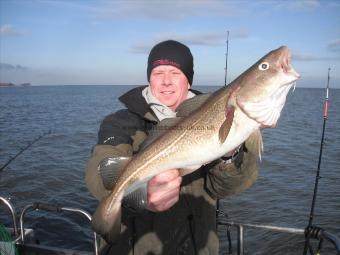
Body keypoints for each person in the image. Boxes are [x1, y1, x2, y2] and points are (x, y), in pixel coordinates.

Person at [85, 40, 258, 255]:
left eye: (175, 73)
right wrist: (141, 196)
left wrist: (230, 152)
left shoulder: (219, 116)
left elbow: (224, 189)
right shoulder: (120, 122)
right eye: (158, 73)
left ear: (188, 80)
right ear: (149, 78)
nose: (166, 81)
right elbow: (99, 171)